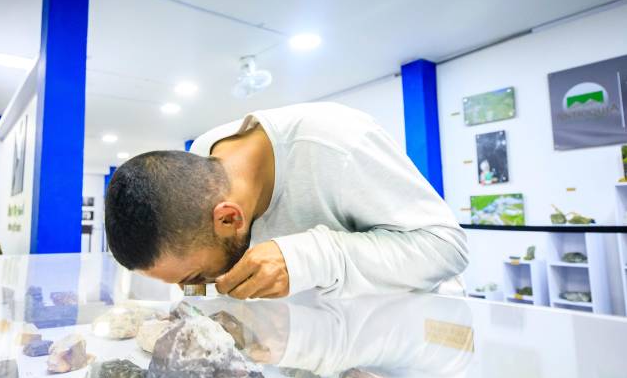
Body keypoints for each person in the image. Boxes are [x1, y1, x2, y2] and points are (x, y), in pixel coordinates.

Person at [105, 102, 467, 299]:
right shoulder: (204, 160)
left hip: (411, 328)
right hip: (322, 342)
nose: (197, 286)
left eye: (197, 276)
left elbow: (447, 248)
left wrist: (308, 256)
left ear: (229, 219)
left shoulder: (339, 144)